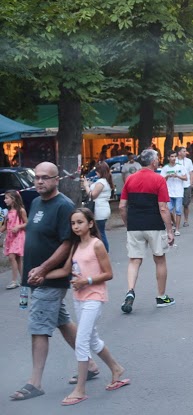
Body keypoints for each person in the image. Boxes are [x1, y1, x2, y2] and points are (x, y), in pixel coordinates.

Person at [10, 162, 101, 402]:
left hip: (50, 278)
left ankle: (35, 382)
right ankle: (91, 365)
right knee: (62, 321)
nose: (40, 181)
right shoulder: (36, 202)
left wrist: (43, 268)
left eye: (45, 177)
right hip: (36, 276)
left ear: (56, 179)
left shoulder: (64, 206)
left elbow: (67, 243)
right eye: (37, 177)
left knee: (39, 326)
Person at [43, 208, 128, 405]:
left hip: (94, 297)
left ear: (90, 224)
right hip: (79, 297)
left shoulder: (97, 244)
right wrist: (41, 275)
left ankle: (80, 390)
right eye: (73, 223)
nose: (76, 226)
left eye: (80, 222)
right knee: (92, 339)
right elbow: (66, 270)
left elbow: (109, 273)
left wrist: (87, 281)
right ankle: (116, 368)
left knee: (81, 340)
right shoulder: (75, 245)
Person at [118, 149, 175, 314]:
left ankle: (130, 290)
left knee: (134, 260)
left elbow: (122, 206)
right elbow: (163, 208)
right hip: (154, 224)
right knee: (160, 260)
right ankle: (161, 296)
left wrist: (128, 223)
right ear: (153, 162)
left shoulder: (130, 179)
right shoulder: (159, 179)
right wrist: (170, 230)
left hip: (135, 225)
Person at [83, 161, 113, 252]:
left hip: (99, 210)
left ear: (101, 171)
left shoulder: (101, 182)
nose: (95, 173)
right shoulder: (105, 181)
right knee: (100, 231)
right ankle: (103, 251)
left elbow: (92, 195)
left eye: (97, 171)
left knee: (100, 232)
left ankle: (104, 251)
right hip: (103, 209)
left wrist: (86, 186)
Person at [1, 190, 26, 289]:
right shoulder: (8, 212)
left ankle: (14, 281)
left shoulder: (21, 211)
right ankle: (23, 279)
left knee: (12, 257)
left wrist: (19, 226)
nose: (4, 200)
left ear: (13, 199)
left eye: (7, 198)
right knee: (18, 259)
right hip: (10, 237)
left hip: (18, 236)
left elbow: (27, 223)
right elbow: (5, 226)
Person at [160, 150, 187, 236]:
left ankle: (177, 229)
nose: (174, 158)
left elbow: (185, 178)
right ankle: (174, 223)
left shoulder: (180, 166)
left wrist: (177, 176)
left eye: (175, 156)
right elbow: (161, 180)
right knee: (169, 210)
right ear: (168, 158)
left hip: (179, 192)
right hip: (169, 192)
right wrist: (168, 176)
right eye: (172, 156)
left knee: (178, 211)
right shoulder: (165, 168)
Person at [176, 146, 193, 227]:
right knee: (177, 205)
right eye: (183, 151)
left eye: (185, 151)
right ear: (179, 153)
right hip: (177, 185)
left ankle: (186, 220)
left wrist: (191, 183)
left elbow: (191, 173)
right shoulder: (175, 161)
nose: (185, 152)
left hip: (186, 185)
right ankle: (176, 221)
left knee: (186, 204)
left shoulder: (188, 161)